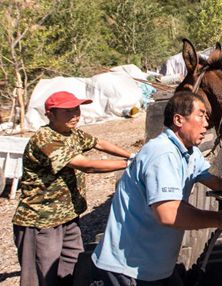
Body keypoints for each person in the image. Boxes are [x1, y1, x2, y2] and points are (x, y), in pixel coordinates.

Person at [90, 91, 222, 285]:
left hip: (155, 266)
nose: (206, 124)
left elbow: (219, 183)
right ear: (178, 119)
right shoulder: (162, 154)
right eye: (201, 116)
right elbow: (168, 214)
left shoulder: (190, 153)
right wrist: (218, 219)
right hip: (128, 269)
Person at [12, 91, 134, 286]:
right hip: (41, 220)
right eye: (67, 111)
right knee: (42, 276)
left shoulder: (72, 133)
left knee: (72, 270)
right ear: (50, 115)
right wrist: (128, 164)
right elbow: (86, 165)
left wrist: (132, 155)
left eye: (76, 109)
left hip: (68, 216)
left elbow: (99, 143)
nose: (75, 114)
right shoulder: (46, 138)